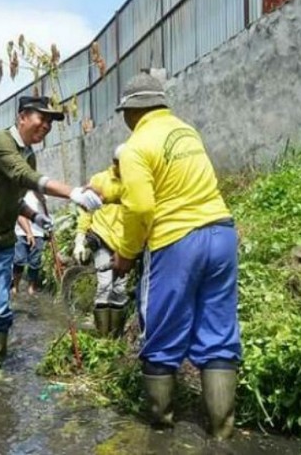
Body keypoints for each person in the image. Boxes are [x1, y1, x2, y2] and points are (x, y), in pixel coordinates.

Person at [0, 95, 102, 379]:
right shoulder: (1, 142)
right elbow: (24, 176)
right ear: (22, 116)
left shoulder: (29, 153)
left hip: (1, 240)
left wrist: (35, 217)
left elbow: (14, 198)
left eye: (51, 121)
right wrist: (73, 192)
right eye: (42, 118)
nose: (46, 125)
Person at [111, 72, 240, 439]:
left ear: (131, 112)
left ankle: (161, 429)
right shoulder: (187, 131)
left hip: (176, 241)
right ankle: (221, 433)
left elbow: (139, 208)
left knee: (161, 333)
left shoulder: (136, 146)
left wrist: (125, 253)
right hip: (222, 234)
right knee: (218, 334)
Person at [73, 144, 128, 338]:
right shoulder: (100, 180)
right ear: (115, 163)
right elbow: (87, 211)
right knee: (105, 285)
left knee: (120, 288)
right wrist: (80, 239)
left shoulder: (135, 180)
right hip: (103, 237)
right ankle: (103, 338)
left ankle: (116, 337)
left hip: (125, 243)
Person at [12, 190, 48, 296]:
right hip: (20, 231)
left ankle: (31, 287)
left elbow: (45, 208)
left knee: (35, 262)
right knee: (19, 260)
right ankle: (15, 285)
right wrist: (28, 233)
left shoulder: (40, 193)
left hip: (38, 232)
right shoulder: (20, 192)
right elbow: (19, 213)